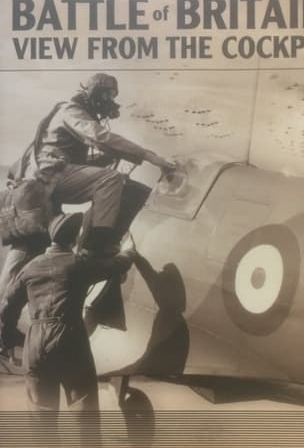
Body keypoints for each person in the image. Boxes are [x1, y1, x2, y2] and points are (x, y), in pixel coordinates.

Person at [0, 72, 175, 303]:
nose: (109, 101)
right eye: (107, 95)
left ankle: (3, 314)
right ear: (96, 93)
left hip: (38, 190)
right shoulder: (70, 111)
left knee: (27, 248)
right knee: (110, 179)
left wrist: (107, 158)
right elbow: (98, 135)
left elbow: (71, 154)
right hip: (46, 182)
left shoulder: (68, 114)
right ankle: (97, 247)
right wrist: (149, 156)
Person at [0, 211, 136, 413]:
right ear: (74, 238)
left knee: (41, 413)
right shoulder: (78, 265)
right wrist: (128, 251)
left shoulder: (30, 267)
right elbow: (116, 265)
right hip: (70, 335)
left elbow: (7, 308)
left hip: (35, 340)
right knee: (83, 406)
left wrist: (7, 342)